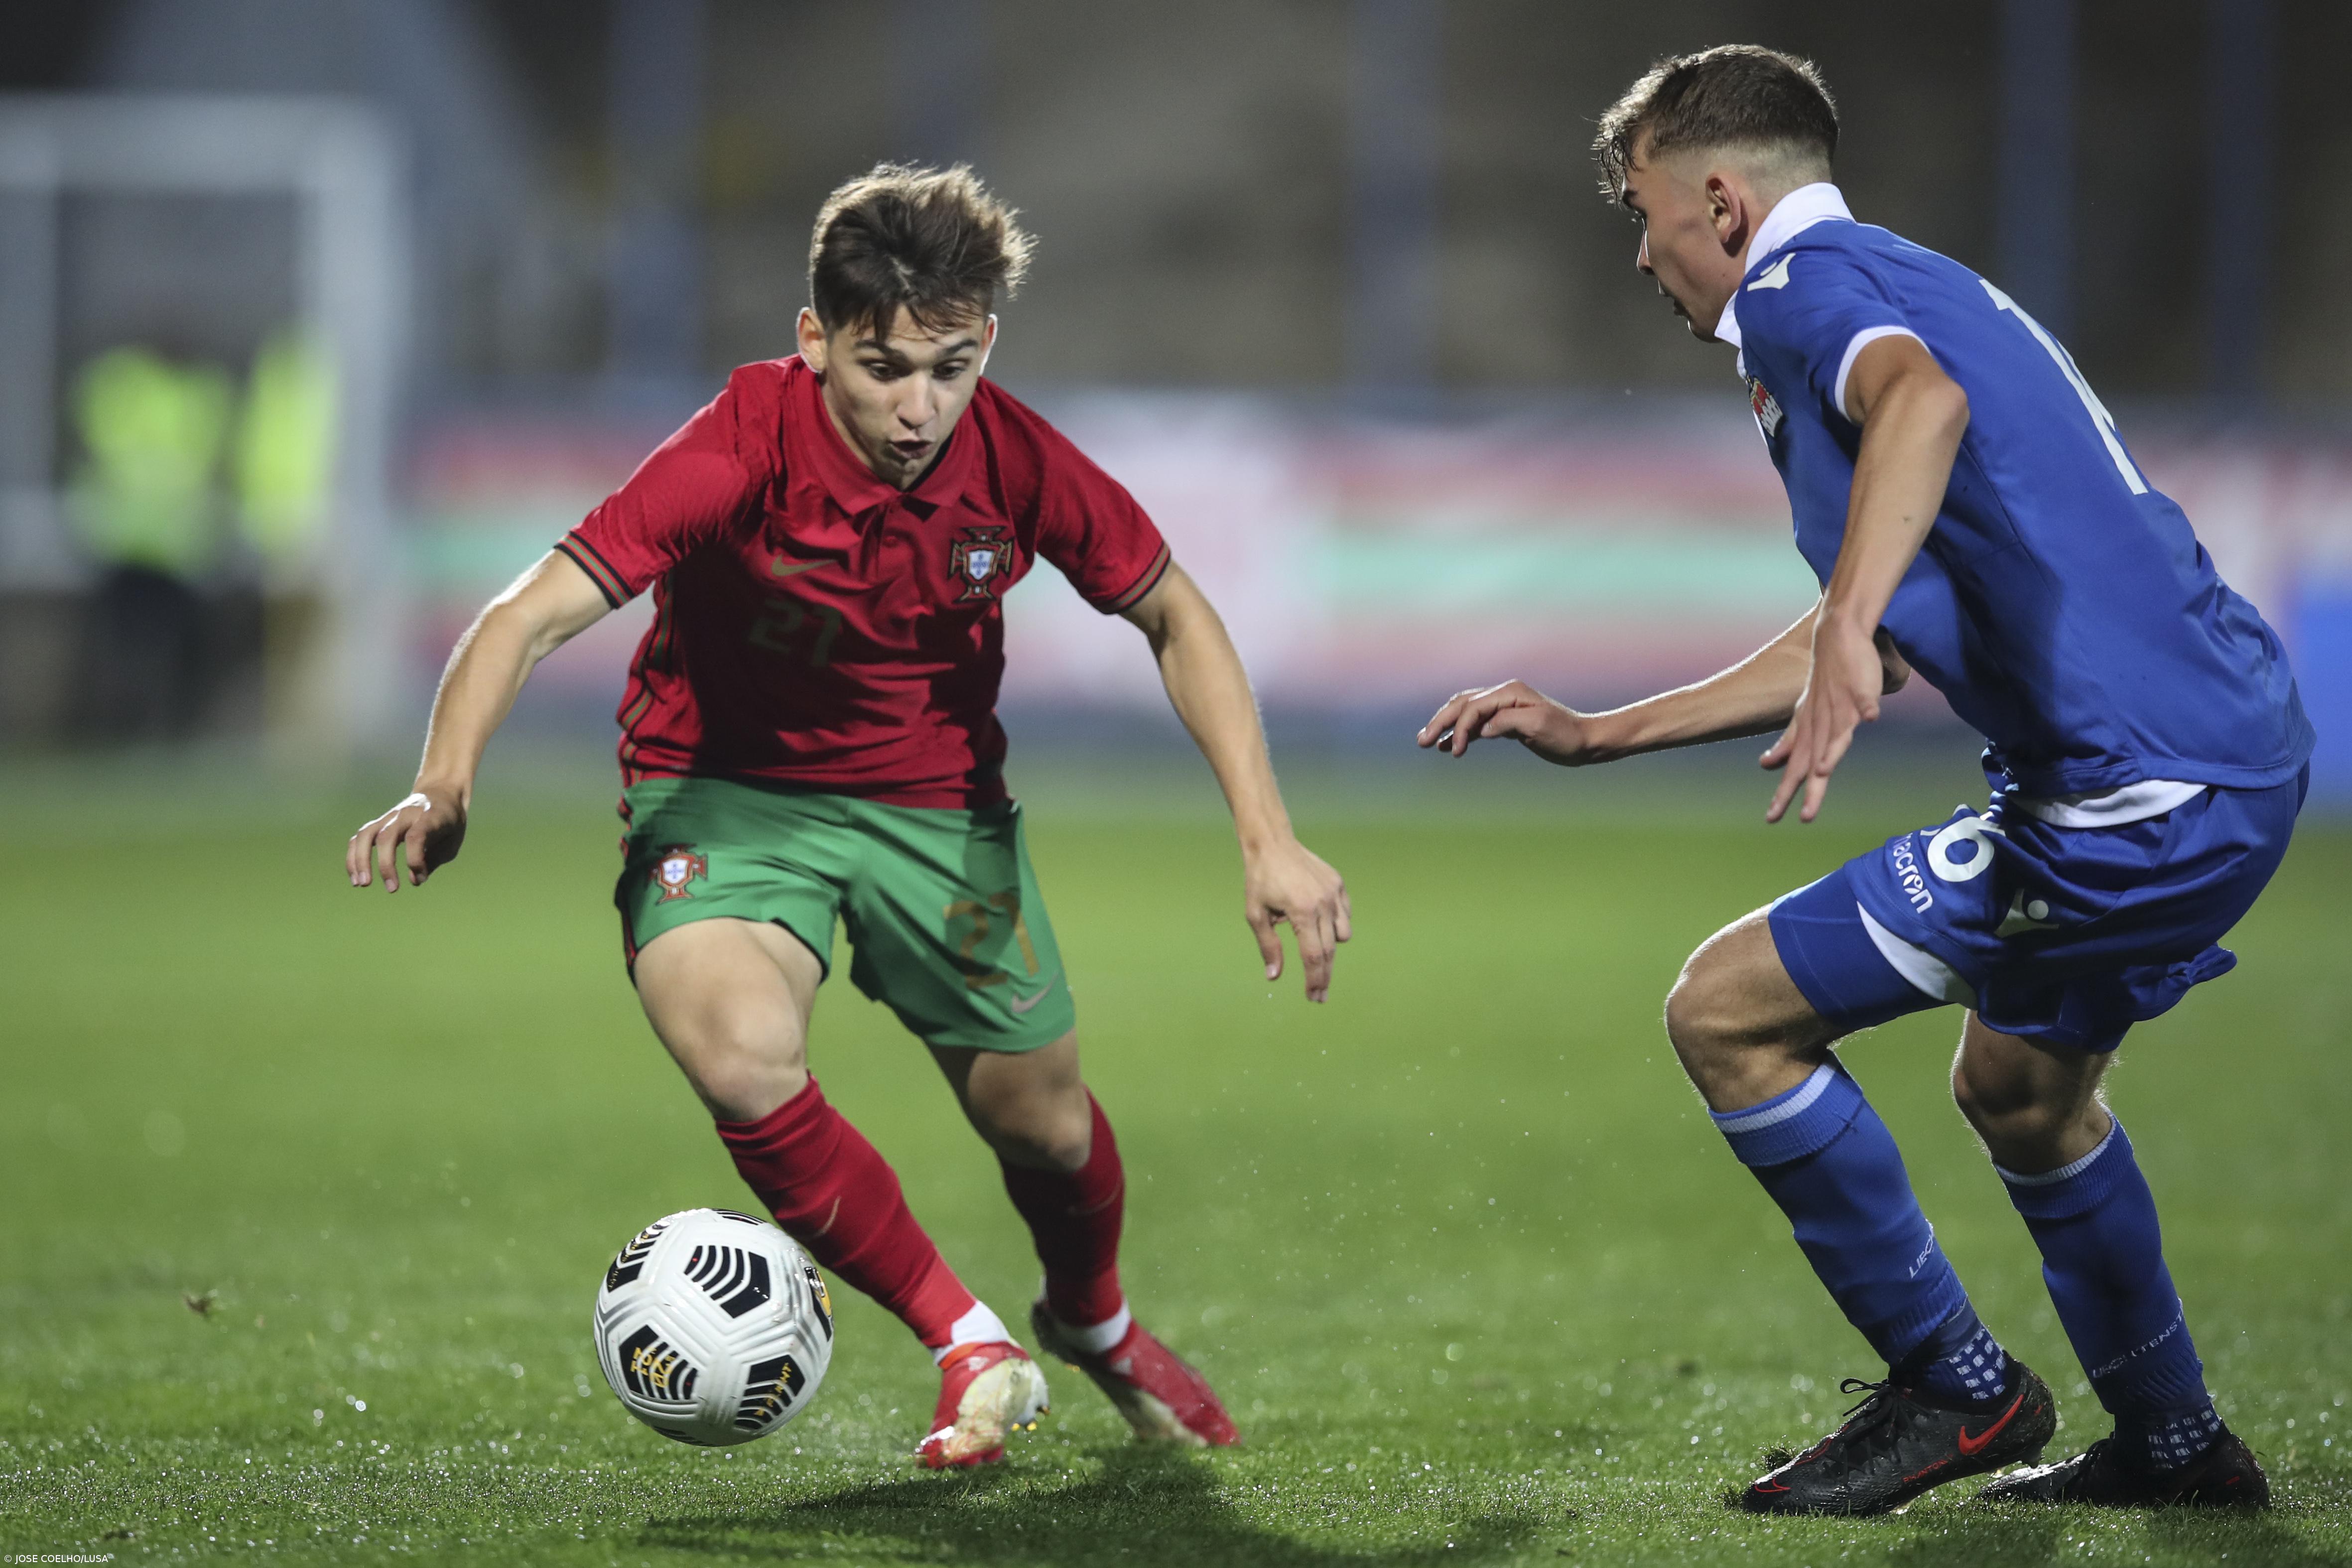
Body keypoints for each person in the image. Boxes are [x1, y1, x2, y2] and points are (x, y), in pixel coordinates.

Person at [349, 164, 1349, 1468]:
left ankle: (1089, 1318)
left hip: (940, 813)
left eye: (947, 365)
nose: (918, 406)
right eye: (884, 367)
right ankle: (967, 1338)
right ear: (815, 338)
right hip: (723, 796)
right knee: (738, 1047)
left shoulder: (1018, 460)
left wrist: (1266, 834)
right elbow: (525, 613)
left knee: (1043, 1123)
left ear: (985, 340)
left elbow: (1176, 612)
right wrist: (444, 777)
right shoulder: (736, 448)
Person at [1420, 46, 2308, 1515]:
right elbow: (1879, 616)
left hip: (2126, 798)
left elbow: (1921, 410)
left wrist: (1846, 619)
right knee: (2021, 1090)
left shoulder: (1790, 291)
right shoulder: (1908, 269)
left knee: (1723, 1011)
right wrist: (1599, 731)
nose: (1640, 255)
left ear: (1717, 196)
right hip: (2222, 756)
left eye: (1640, 214)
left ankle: (1956, 1392)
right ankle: (2173, 1446)